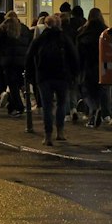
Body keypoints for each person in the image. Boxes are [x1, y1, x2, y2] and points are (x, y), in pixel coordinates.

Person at [28, 17, 81, 145]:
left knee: (47, 106)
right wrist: (74, 75)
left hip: (44, 77)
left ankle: (47, 136)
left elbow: (29, 57)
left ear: (46, 25)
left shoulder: (40, 39)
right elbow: (74, 57)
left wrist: (31, 77)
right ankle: (60, 132)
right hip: (62, 76)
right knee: (61, 104)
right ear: (59, 25)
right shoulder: (64, 38)